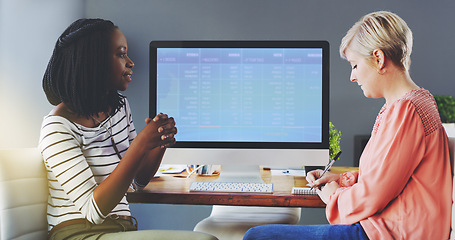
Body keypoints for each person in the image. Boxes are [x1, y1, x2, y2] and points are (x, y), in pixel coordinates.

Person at [243, 11, 452, 240]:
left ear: (378, 59)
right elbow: (389, 178)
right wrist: (340, 180)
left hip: (390, 233)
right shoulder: (416, 101)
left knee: (256, 236)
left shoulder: (406, 110)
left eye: (354, 65)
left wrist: (335, 195)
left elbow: (373, 196)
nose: (352, 77)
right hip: (392, 227)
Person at [39, 18, 218, 240]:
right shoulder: (57, 126)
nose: (131, 62)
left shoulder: (119, 108)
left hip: (119, 231)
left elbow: (137, 182)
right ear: (94, 61)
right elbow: (93, 211)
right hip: (79, 233)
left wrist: (158, 143)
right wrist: (140, 144)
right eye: (121, 54)